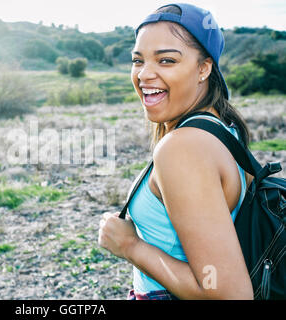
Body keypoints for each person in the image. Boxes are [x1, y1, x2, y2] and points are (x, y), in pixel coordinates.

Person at [98, 3, 255, 300]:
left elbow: (228, 293)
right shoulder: (223, 128)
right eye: (137, 60)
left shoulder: (184, 147)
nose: (144, 74)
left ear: (204, 68)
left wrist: (131, 246)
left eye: (166, 60)